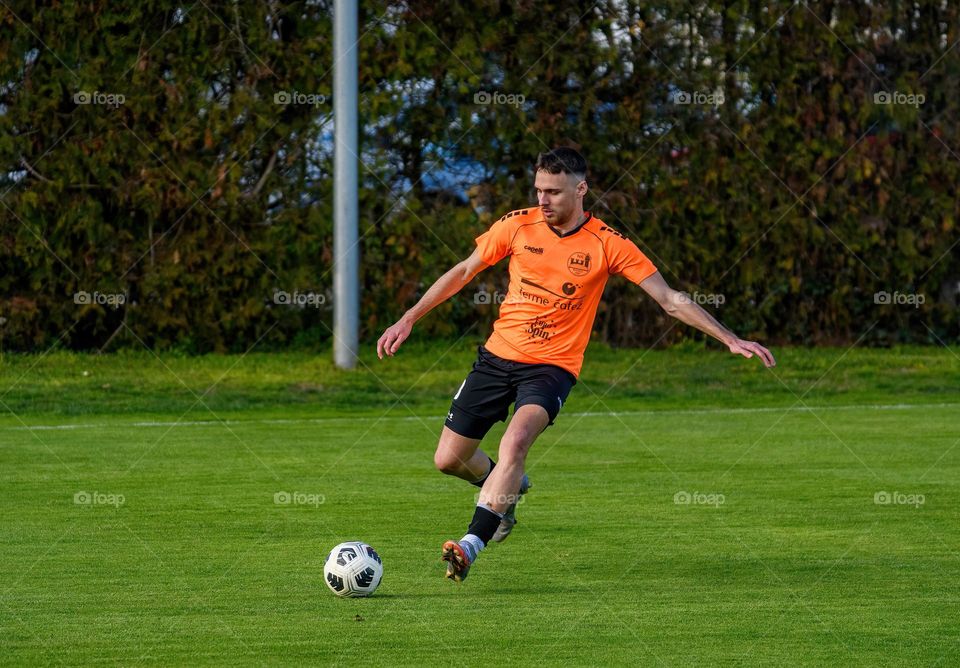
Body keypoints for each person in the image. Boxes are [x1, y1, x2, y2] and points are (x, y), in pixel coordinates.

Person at [376, 147, 776, 582]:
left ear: (581, 189)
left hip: (550, 370)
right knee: (448, 460)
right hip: (495, 359)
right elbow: (463, 271)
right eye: (538, 190)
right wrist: (408, 317)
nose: (543, 200)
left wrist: (729, 338)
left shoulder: (608, 244)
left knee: (515, 445)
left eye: (554, 192)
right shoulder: (516, 225)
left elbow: (670, 300)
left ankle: (471, 544)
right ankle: (504, 491)